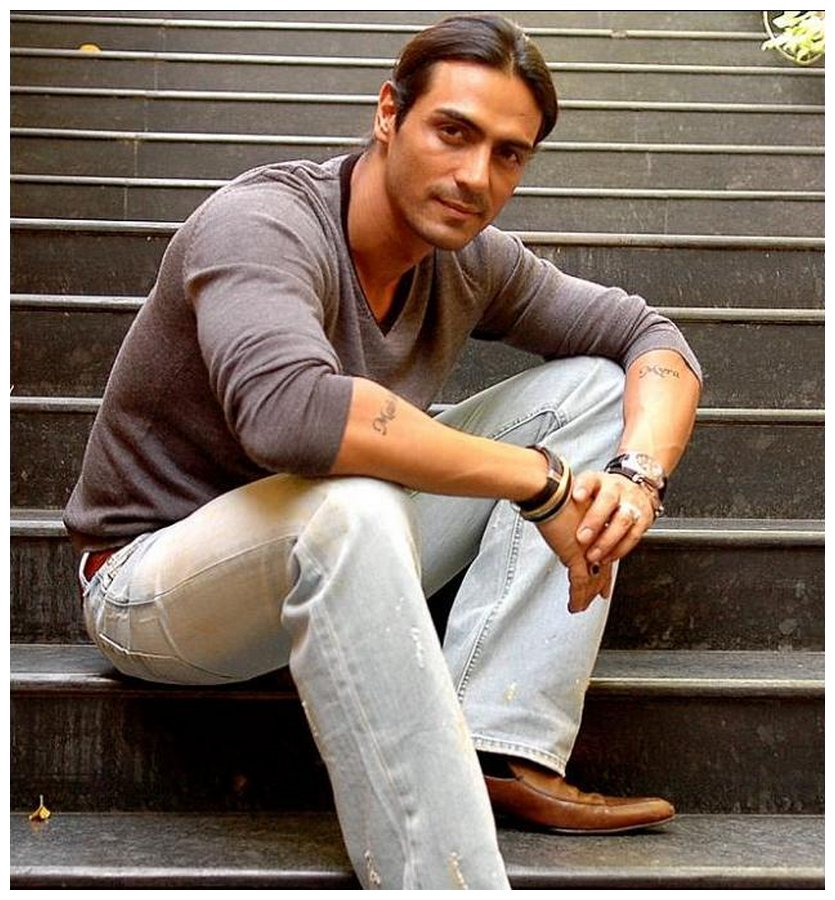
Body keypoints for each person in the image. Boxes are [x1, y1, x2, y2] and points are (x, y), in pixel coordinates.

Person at [64, 13, 701, 890]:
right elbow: (291, 417)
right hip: (152, 586)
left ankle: (500, 743)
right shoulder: (260, 222)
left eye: (508, 154)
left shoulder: (472, 260)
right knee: (353, 498)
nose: (475, 176)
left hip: (334, 549)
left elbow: (649, 338)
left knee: (592, 386)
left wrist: (635, 478)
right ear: (388, 114)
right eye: (453, 132)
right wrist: (541, 484)